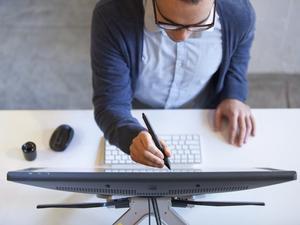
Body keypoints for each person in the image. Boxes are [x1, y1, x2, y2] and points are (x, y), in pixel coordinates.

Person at [91, 0, 256, 168]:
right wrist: (130, 135)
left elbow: (238, 58)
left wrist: (233, 94)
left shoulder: (239, 13)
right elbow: (110, 102)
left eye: (199, 25)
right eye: (167, 23)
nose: (181, 37)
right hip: (136, 106)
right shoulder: (111, 15)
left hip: (200, 108)